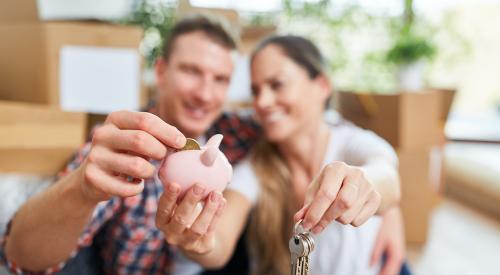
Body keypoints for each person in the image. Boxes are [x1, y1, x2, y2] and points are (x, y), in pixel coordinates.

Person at [0, 14, 406, 275]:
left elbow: (329, 134)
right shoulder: (123, 146)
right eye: (192, 72)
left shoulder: (240, 130)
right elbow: (20, 257)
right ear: (161, 71)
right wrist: (82, 189)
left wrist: (387, 205)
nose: (205, 93)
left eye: (220, 80)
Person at [162, 35, 401, 275]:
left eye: (277, 84)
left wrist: (363, 183)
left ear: (322, 86)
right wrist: (197, 241)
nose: (262, 102)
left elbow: (386, 176)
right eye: (256, 91)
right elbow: (219, 243)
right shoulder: (256, 167)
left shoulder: (353, 143)